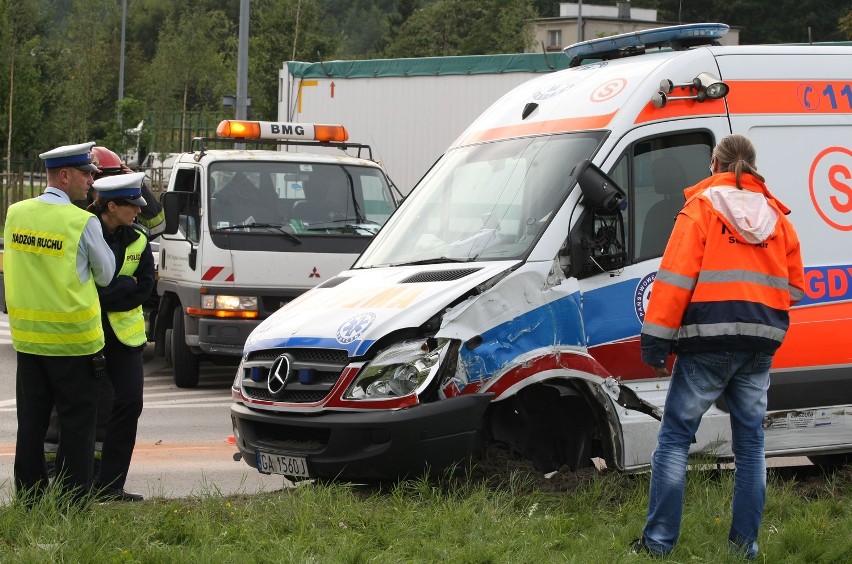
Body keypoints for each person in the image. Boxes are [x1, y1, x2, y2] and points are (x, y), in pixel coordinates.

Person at [632, 134, 805, 559]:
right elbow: (795, 289)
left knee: (674, 440)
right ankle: (745, 546)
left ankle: (657, 545)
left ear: (714, 163)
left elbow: (673, 283)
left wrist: (656, 343)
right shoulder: (778, 219)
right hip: (759, 343)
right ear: (752, 166)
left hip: (707, 343)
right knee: (751, 448)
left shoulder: (700, 211)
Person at [5, 142, 116, 505]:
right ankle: (72, 504)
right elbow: (105, 274)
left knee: (32, 427)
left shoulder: (16, 213)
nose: (92, 180)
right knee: (77, 429)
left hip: (29, 343)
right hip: (75, 345)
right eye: (86, 173)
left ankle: (30, 501)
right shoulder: (82, 221)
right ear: (65, 176)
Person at [87, 172, 156, 501]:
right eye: (132, 206)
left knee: (129, 403)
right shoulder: (83, 230)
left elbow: (144, 288)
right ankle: (81, 483)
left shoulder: (139, 238)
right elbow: (83, 288)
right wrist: (121, 288)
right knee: (85, 407)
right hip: (88, 334)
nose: (138, 212)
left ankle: (111, 486)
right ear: (111, 206)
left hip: (125, 340)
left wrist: (113, 293)